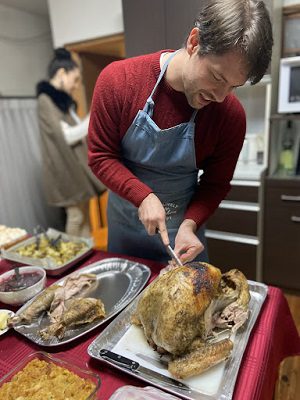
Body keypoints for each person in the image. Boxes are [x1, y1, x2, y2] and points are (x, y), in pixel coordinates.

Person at [88, 0, 273, 263]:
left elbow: (215, 184)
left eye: (234, 86)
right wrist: (142, 196)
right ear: (194, 42)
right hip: (125, 227)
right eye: (218, 78)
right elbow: (100, 156)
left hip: (181, 232)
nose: (220, 97)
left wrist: (190, 224)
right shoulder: (119, 82)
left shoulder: (230, 117)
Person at [37, 48, 105, 237]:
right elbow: (65, 136)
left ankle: (86, 254)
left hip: (73, 170)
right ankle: (73, 259)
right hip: (64, 172)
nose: (76, 85)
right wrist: (94, 114)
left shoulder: (62, 102)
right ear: (61, 73)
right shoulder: (46, 100)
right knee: (76, 217)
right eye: (74, 79)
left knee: (83, 217)